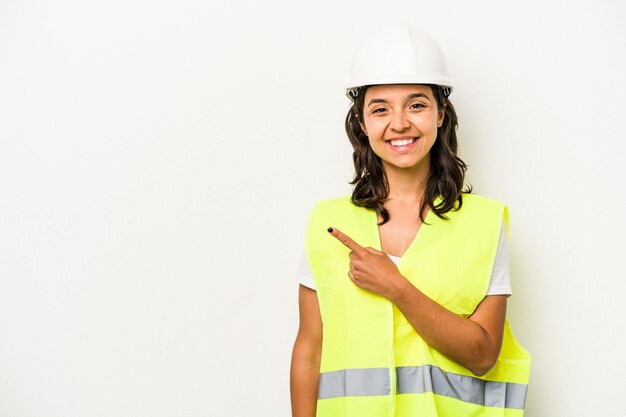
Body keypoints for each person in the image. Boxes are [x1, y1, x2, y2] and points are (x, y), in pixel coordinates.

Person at [290, 22, 531, 417]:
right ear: (361, 122)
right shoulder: (327, 222)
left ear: (440, 114)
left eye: (416, 104)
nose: (399, 123)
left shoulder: (485, 224)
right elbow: (308, 348)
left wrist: (396, 287)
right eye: (380, 108)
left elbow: (484, 355)